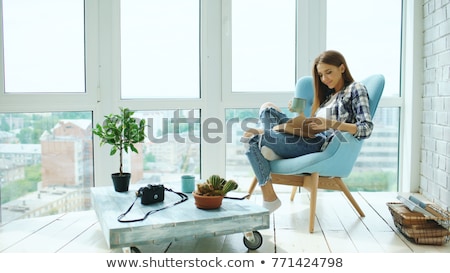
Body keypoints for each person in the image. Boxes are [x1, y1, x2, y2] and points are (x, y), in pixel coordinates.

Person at [241, 50, 373, 213]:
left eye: (329, 72)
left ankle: (270, 197)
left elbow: (366, 128)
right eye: (321, 75)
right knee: (267, 108)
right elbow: (311, 127)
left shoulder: (356, 89)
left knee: (250, 138)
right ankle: (272, 145)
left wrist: (330, 124)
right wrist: (300, 116)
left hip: (320, 144)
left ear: (342, 68)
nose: (325, 79)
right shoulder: (328, 96)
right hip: (306, 137)